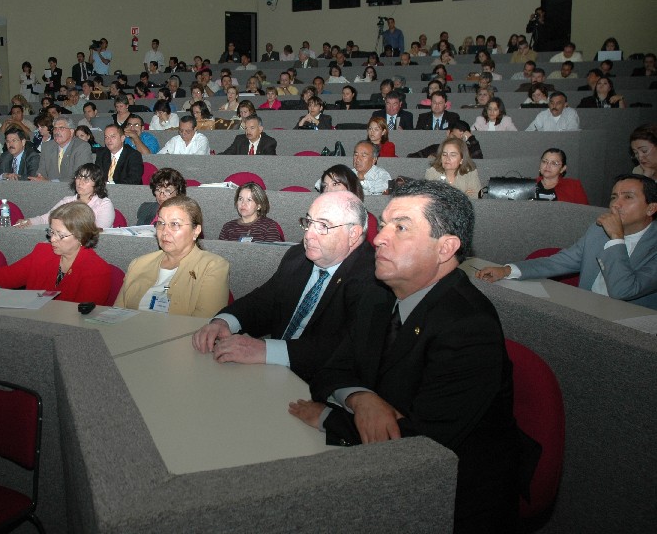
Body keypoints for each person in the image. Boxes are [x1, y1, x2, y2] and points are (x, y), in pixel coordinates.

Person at [294, 180, 520, 534]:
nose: (378, 238)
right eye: (383, 224)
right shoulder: (378, 295)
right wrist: (362, 398)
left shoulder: (469, 326)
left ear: (445, 248)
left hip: (452, 493)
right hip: (377, 466)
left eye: (400, 228)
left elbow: (421, 441)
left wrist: (327, 417)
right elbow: (331, 369)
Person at [193, 190, 382, 381]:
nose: (309, 235)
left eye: (323, 226)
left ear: (353, 234)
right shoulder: (298, 256)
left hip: (325, 384)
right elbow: (264, 301)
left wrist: (266, 350)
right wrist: (225, 321)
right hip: (273, 374)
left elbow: (345, 348)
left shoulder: (374, 277)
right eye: (309, 222)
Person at [480, 174, 657, 307]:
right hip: (587, 312)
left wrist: (616, 238)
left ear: (651, 208)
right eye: (614, 197)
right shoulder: (598, 231)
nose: (616, 204)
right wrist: (507, 270)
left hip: (632, 329)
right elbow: (557, 262)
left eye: (628, 197)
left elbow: (623, 290)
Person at [0, 201, 113, 304]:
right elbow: (3, 276)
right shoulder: (42, 252)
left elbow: (82, 320)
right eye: (51, 232)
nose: (52, 239)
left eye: (60, 235)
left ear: (82, 237)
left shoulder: (97, 270)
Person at [116, 195, 230, 318]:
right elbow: (116, 315)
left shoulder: (213, 266)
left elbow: (203, 324)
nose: (164, 232)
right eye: (161, 223)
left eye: (175, 224)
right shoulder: (139, 264)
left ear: (196, 230)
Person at [19, 163, 115, 230]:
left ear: (97, 184)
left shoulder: (104, 204)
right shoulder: (68, 201)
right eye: (79, 177)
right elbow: (48, 218)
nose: (80, 182)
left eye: (86, 180)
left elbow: (99, 231)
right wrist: (29, 221)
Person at [33, 116, 95, 182]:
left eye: (61, 128)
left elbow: (80, 176)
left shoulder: (82, 147)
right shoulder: (47, 146)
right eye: (55, 128)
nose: (57, 132)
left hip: (72, 187)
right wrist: (39, 177)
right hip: (48, 187)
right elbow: (41, 171)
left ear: (71, 132)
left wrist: (50, 182)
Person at [218, 182, 283, 243]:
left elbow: (272, 250)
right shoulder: (228, 227)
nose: (243, 204)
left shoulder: (269, 227)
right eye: (240, 199)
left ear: (259, 205)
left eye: (249, 200)